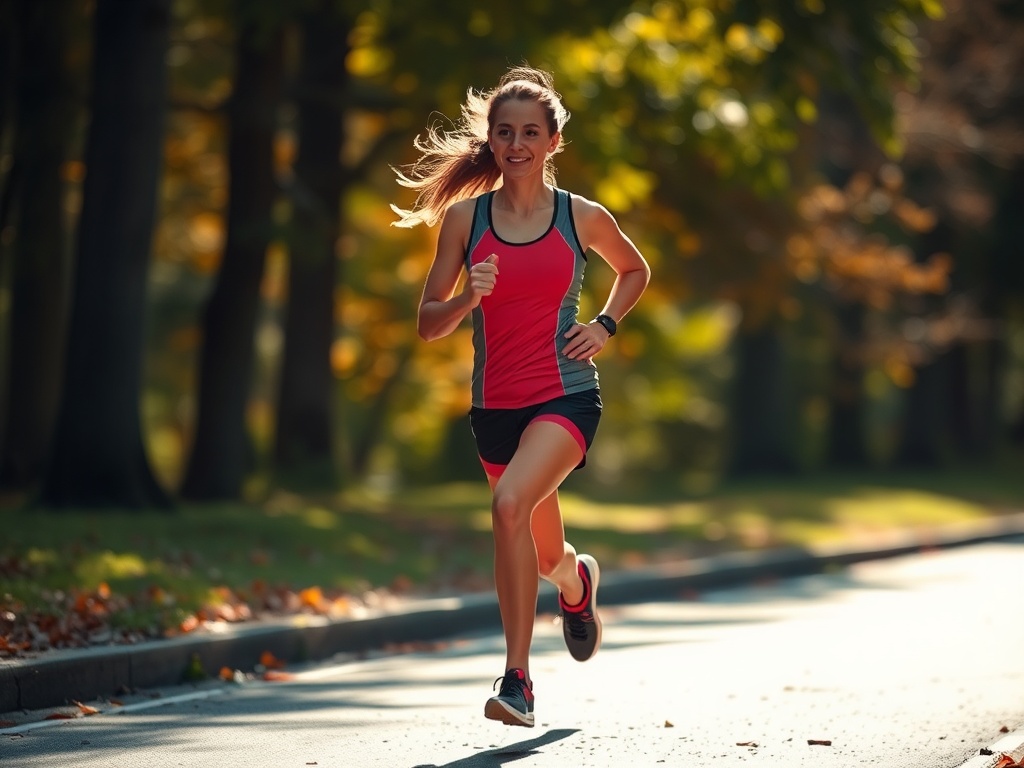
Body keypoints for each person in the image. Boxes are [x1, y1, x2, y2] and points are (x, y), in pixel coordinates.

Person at [392, 65, 650, 728]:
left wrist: (605, 325)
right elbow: (427, 323)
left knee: (508, 505)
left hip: (566, 395)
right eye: (505, 131)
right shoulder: (464, 220)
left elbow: (634, 269)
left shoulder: (580, 216)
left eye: (530, 132)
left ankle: (517, 683)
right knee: (541, 555)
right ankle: (576, 583)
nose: (516, 143)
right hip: (495, 407)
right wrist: (467, 296)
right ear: (492, 140)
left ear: (553, 141)